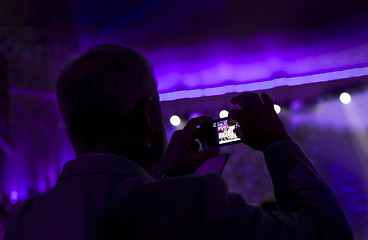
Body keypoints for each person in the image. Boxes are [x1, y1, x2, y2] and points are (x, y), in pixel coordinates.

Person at [4, 44, 353, 239]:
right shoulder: (195, 201)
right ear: (146, 113)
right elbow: (331, 235)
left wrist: (162, 176)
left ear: (70, 126)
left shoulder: (25, 221)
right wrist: (278, 144)